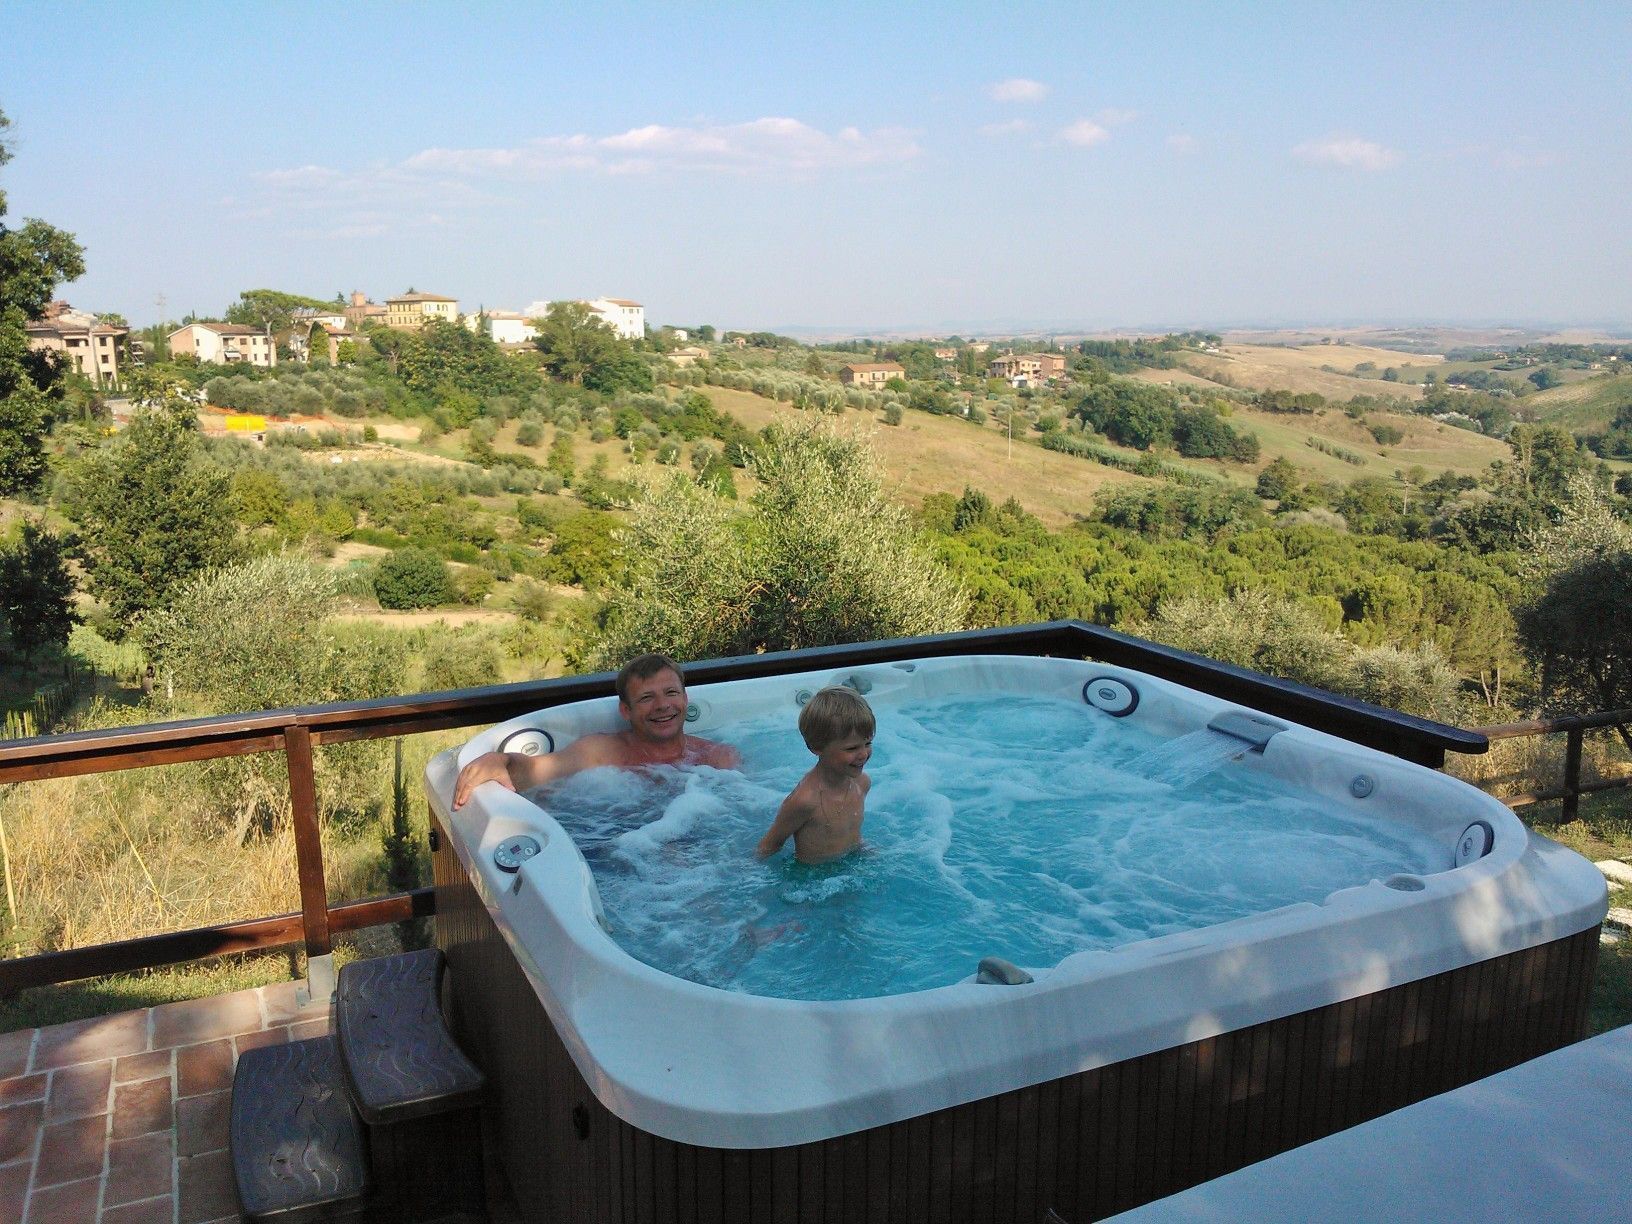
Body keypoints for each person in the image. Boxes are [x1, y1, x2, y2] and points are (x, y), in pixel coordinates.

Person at [451, 653, 741, 809]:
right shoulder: (602, 752)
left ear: (685, 699)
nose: (662, 706)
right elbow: (538, 770)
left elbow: (741, 812)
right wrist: (499, 760)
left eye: (670, 693)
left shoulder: (717, 757)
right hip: (613, 843)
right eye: (646, 698)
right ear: (625, 711)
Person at [756, 687, 874, 864]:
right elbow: (769, 845)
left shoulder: (862, 783)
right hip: (813, 876)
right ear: (816, 748)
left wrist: (863, 849)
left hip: (850, 861)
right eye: (852, 748)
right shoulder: (804, 801)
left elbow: (850, 831)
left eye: (867, 743)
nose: (863, 754)